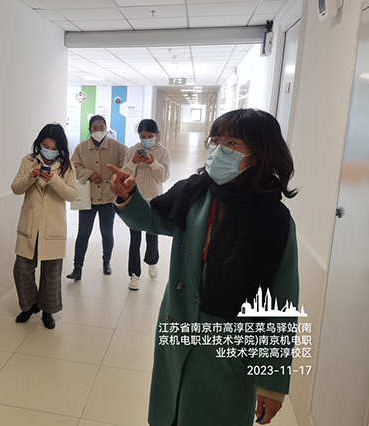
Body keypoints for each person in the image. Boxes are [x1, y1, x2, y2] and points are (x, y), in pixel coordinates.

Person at [108, 109, 299, 426]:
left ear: (259, 153)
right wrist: (129, 196)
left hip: (228, 349)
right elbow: (154, 219)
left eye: (232, 143)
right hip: (178, 330)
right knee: (169, 414)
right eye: (217, 140)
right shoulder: (196, 193)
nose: (220, 149)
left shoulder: (274, 220)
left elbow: (281, 304)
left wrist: (272, 382)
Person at [11, 123, 77, 329]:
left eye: (53, 147)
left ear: (60, 147)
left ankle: (47, 310)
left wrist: (53, 180)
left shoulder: (67, 165)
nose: (49, 150)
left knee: (51, 272)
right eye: (45, 146)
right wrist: (31, 177)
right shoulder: (28, 161)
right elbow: (15, 188)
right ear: (39, 143)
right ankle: (30, 305)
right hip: (30, 224)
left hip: (52, 225)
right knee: (22, 269)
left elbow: (72, 194)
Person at [66, 115, 127, 281]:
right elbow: (74, 166)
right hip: (88, 198)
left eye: (101, 127)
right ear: (90, 130)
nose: (98, 130)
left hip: (108, 197)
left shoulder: (117, 147)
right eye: (95, 128)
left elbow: (126, 164)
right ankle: (77, 267)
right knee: (83, 233)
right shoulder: (81, 148)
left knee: (107, 232)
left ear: (106, 128)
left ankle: (106, 261)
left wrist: (115, 177)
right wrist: (89, 174)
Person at [122, 119, 170, 291]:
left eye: (150, 136)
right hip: (135, 199)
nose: (147, 139)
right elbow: (124, 176)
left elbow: (163, 177)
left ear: (156, 134)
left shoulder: (163, 151)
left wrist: (152, 163)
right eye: (143, 136)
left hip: (154, 199)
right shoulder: (131, 150)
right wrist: (133, 162)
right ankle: (134, 274)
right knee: (134, 239)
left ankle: (152, 261)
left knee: (152, 236)